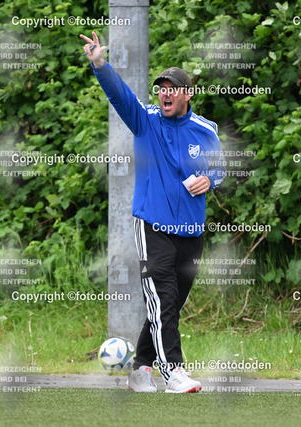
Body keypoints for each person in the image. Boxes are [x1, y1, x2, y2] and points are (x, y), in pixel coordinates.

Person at [80, 32, 225, 393]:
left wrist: (210, 179)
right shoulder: (145, 120)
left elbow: (221, 168)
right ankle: (173, 371)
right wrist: (100, 64)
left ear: (187, 94)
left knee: (167, 306)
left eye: (173, 89)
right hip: (152, 226)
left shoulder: (206, 130)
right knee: (164, 299)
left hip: (191, 233)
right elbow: (120, 95)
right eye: (161, 89)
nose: (165, 94)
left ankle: (140, 370)